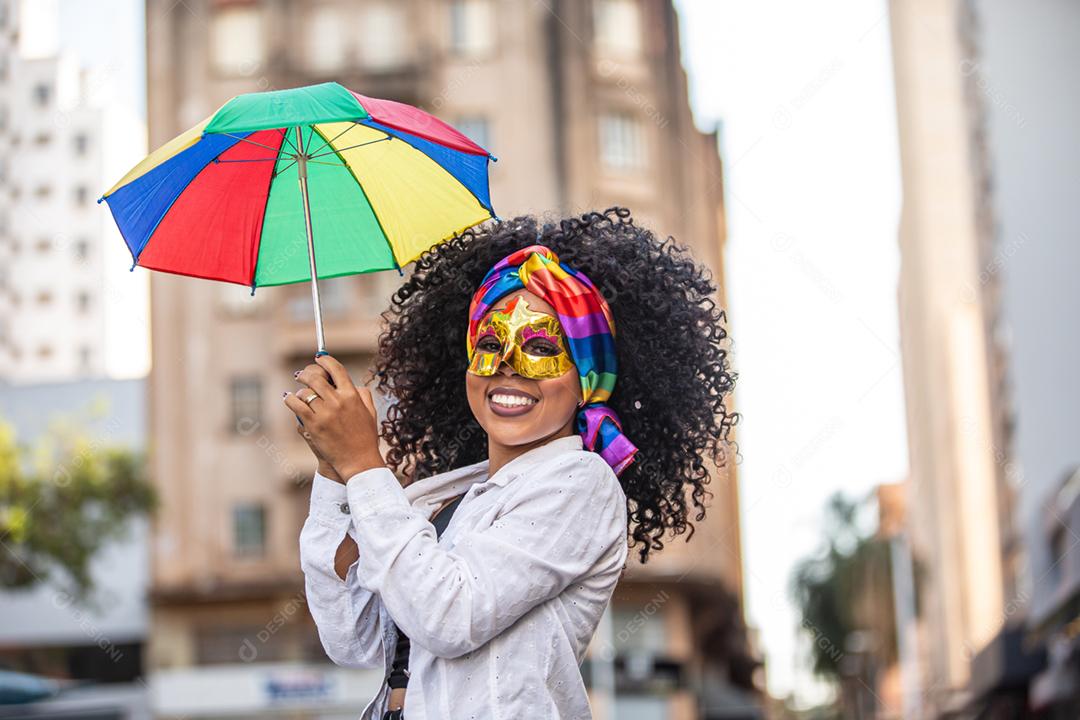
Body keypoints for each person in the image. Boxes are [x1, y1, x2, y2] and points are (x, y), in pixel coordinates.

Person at [286, 207, 737, 719]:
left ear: (587, 376)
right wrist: (334, 472)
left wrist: (365, 466)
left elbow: (449, 617)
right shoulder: (439, 498)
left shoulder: (580, 482)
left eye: (541, 346)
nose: (505, 365)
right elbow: (355, 640)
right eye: (490, 343)